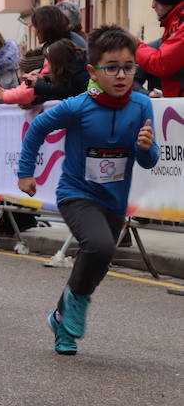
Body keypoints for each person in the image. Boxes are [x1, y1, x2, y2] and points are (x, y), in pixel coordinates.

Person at [17, 26, 157, 356]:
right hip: (77, 193)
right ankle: (75, 309)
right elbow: (37, 127)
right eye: (112, 67)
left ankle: (61, 321)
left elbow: (148, 161)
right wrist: (25, 172)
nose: (122, 75)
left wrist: (147, 148)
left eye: (128, 66)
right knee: (98, 245)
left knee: (100, 258)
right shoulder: (77, 106)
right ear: (93, 71)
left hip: (114, 200)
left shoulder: (140, 106)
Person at [0, 38, 88, 105]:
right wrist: (44, 79)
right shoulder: (76, 68)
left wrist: (38, 84)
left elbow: (61, 90)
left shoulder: (79, 75)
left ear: (58, 62)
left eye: (49, 61)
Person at [136, 0, 184, 97]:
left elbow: (162, 64)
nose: (152, 5)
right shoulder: (175, 24)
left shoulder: (181, 27)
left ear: (168, 0)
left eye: (156, 0)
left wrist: (135, 46)